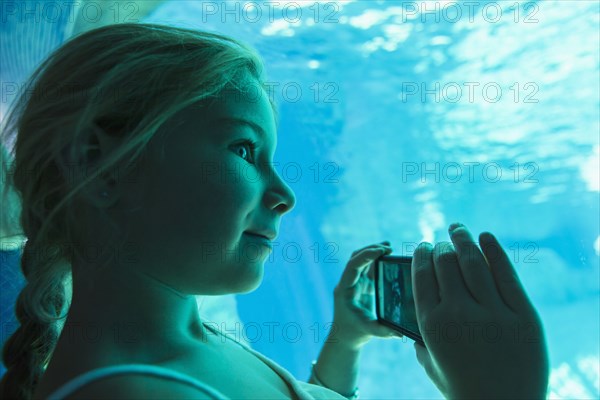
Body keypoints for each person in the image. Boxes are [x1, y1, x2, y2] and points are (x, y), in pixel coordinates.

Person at [0, 23, 549, 400]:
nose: (285, 193)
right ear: (102, 166)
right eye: (243, 150)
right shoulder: (132, 393)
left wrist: (346, 339)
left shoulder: (183, 342)